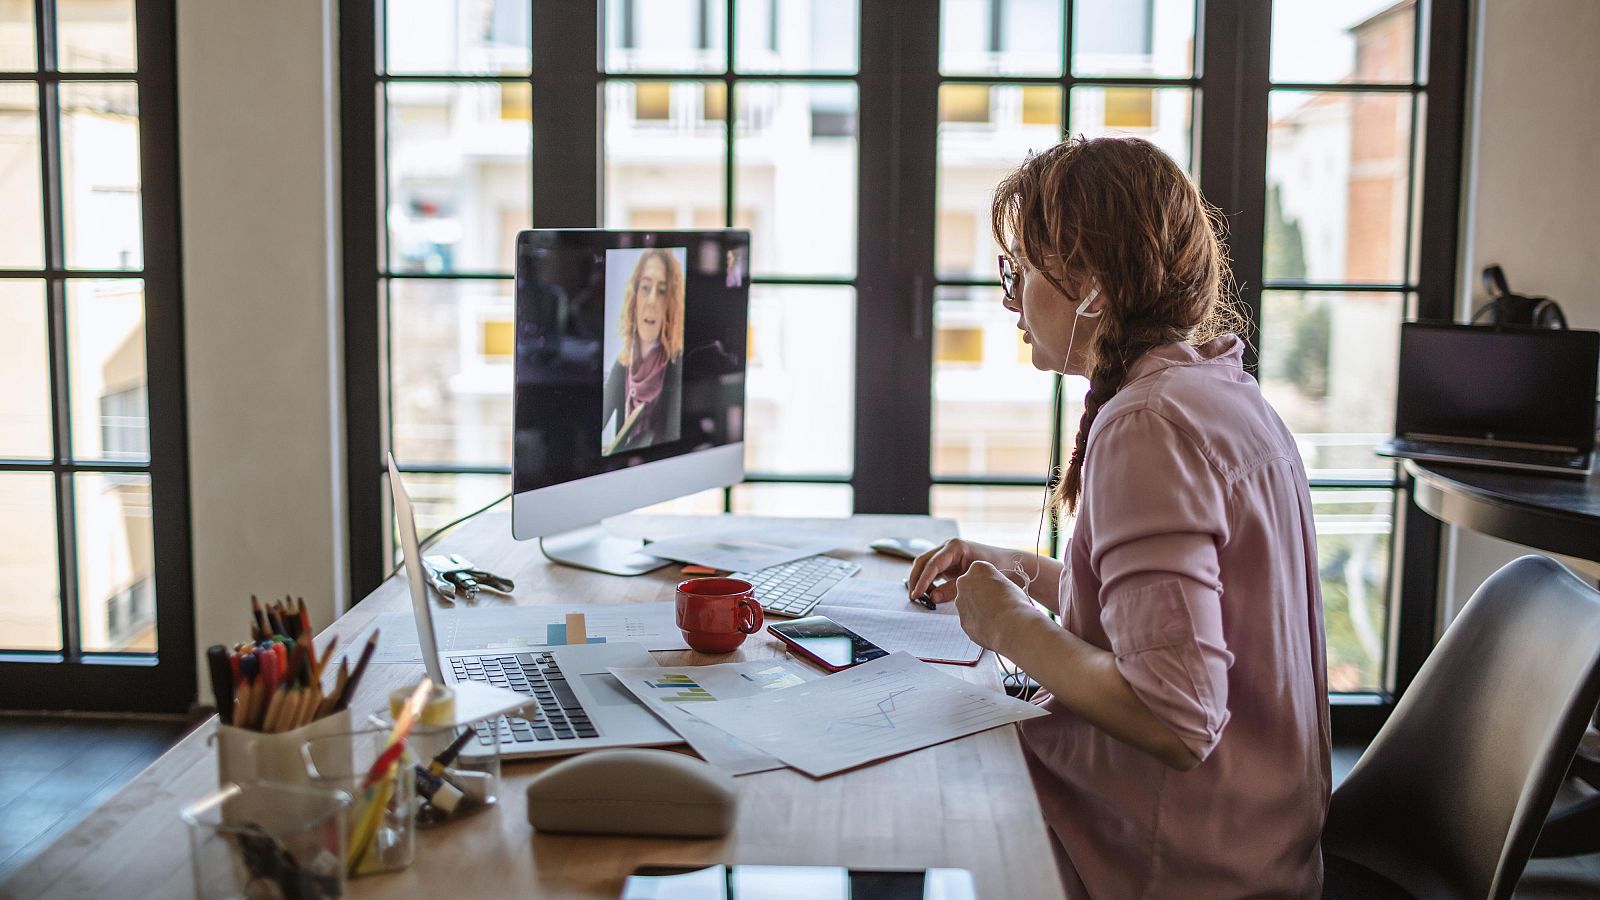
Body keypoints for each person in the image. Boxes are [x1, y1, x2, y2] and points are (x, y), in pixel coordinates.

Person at [908, 137, 1330, 898]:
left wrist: (1009, 626)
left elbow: (1174, 715)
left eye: (1020, 272)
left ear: (1094, 289)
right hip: (1261, 841)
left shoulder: (1149, 425)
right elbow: (1169, 616)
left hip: (1179, 864)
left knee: (911, 777)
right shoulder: (1219, 390)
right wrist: (1021, 571)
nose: (1009, 300)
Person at [602, 248, 685, 454]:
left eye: (662, 291)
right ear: (635, 298)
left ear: (670, 305)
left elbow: (673, 442)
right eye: (646, 288)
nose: (651, 301)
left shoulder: (676, 365)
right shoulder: (623, 363)